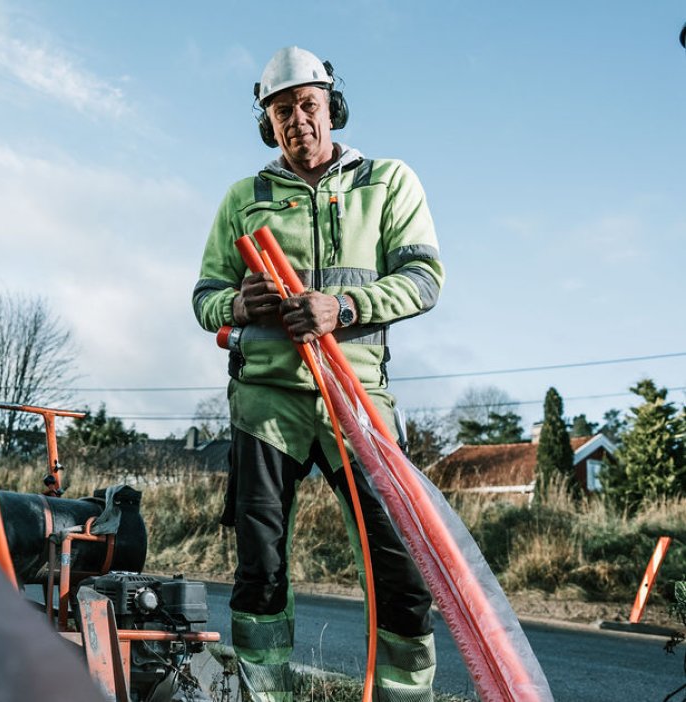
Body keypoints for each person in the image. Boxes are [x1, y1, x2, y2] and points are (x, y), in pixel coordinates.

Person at [192, 46, 445, 702]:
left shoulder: (388, 183)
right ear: (267, 124)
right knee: (261, 574)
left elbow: (424, 279)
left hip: (356, 398)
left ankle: (404, 696)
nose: (297, 119)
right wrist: (235, 305)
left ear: (331, 107)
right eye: (282, 110)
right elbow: (205, 299)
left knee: (402, 574)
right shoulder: (243, 199)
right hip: (266, 405)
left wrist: (345, 307)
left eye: (307, 104)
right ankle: (265, 695)